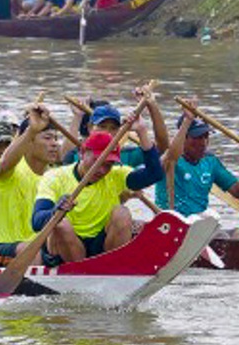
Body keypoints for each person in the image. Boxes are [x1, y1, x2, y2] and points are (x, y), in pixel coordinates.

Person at [33, 110, 166, 263]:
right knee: (61, 224)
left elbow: (155, 174)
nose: (102, 170)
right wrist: (57, 209)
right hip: (66, 250)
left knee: (122, 213)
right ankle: (81, 272)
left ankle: (113, 266)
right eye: (98, 162)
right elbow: (36, 222)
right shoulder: (55, 177)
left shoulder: (116, 175)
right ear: (83, 153)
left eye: (108, 164)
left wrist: (142, 131)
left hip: (100, 245)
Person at [0, 107, 62, 266]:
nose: (54, 144)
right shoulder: (10, 169)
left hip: (32, 249)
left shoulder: (54, 177)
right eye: (47, 138)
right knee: (29, 250)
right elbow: (5, 162)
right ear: (29, 142)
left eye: (56, 139)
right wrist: (31, 130)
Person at [160, 119, 239, 218]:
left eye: (206, 136)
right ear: (183, 138)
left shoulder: (210, 161)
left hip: (199, 223)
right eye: (198, 137)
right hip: (170, 224)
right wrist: (187, 120)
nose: (203, 143)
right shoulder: (170, 159)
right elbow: (164, 145)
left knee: (237, 232)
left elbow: (238, 192)